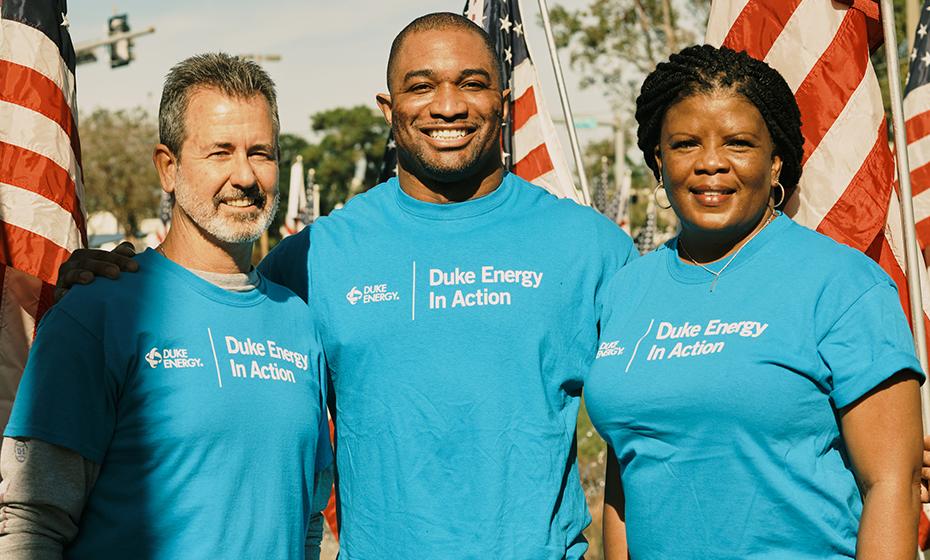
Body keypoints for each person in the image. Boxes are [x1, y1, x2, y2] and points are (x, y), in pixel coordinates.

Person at [54, 13, 638, 559]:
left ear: (503, 101)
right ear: (388, 107)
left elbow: (662, 421)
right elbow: (215, 297)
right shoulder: (311, 259)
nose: (448, 105)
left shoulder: (592, 249)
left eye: (472, 83)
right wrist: (110, 281)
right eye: (421, 85)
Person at [585, 44, 924, 559]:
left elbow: (891, 486)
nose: (711, 163)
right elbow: (627, 468)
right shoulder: (626, 290)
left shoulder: (843, 284)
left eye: (739, 143)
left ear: (776, 162)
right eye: (685, 144)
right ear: (658, 161)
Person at [0, 53, 332, 559]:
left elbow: (306, 520)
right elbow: (32, 524)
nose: (244, 176)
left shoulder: (299, 322)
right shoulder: (98, 313)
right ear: (168, 168)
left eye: (261, 153)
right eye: (220, 152)